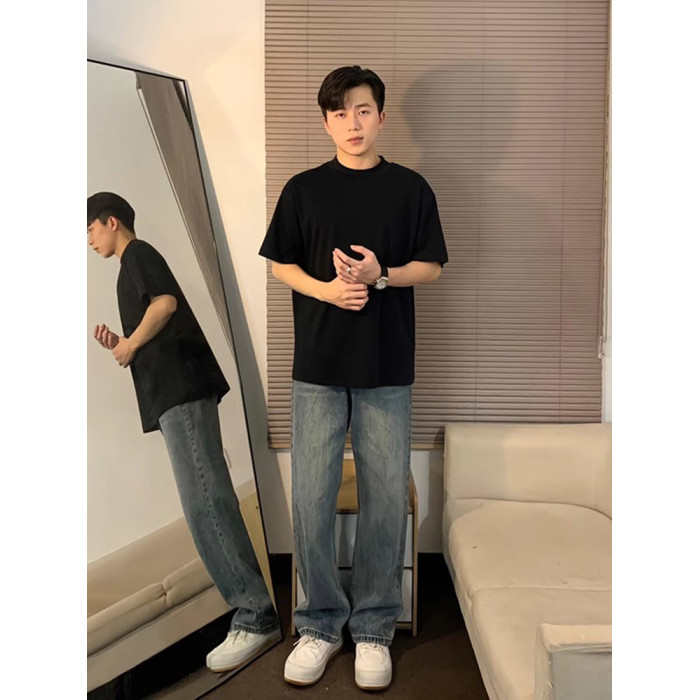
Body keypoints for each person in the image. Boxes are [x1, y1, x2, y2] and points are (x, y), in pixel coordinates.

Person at [259, 65, 448, 691]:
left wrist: (379, 276)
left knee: (385, 495)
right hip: (317, 366)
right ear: (326, 122)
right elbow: (280, 263)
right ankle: (317, 624)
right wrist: (328, 290)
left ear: (381, 117)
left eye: (363, 110)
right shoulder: (303, 190)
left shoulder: (410, 188)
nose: (352, 123)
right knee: (310, 497)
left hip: (386, 365)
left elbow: (431, 266)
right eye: (339, 113)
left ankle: (373, 628)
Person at [87, 192, 280, 673]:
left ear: (112, 222)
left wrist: (130, 343)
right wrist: (123, 343)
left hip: (181, 393)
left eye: (90, 228)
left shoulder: (137, 253)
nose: (88, 240)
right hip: (175, 395)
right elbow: (153, 317)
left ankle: (255, 615)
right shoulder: (130, 265)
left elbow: (166, 303)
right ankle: (253, 610)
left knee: (205, 504)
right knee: (205, 504)